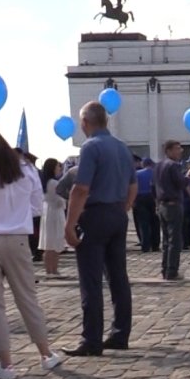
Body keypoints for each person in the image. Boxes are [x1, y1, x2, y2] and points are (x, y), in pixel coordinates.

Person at [0, 121, 60, 379]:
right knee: (27, 297)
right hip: (18, 237)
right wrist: (17, 217)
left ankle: (6, 364)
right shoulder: (24, 166)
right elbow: (37, 207)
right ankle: (46, 353)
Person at [61, 101, 137, 356]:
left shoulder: (91, 147)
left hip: (95, 214)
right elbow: (133, 186)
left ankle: (91, 338)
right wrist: (123, 207)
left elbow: (81, 188)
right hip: (117, 212)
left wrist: (70, 224)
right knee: (118, 277)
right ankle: (120, 333)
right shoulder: (122, 148)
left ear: (85, 122)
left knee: (91, 280)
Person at [155, 140, 186, 280]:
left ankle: (165, 269)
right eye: (177, 149)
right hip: (173, 205)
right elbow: (180, 183)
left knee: (166, 240)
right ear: (168, 151)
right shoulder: (173, 165)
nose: (180, 151)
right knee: (175, 240)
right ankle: (172, 271)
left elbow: (152, 186)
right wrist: (188, 177)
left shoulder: (158, 166)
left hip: (162, 205)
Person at [38, 158, 66, 276]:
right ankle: (53, 269)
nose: (59, 168)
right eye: (58, 166)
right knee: (55, 241)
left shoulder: (45, 182)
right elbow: (59, 200)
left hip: (48, 212)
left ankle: (49, 269)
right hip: (55, 213)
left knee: (48, 242)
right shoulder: (54, 183)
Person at [133, 157, 159, 252]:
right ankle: (155, 245)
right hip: (153, 198)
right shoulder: (156, 173)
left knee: (143, 223)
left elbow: (133, 187)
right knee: (155, 222)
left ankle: (145, 245)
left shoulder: (137, 174)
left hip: (140, 198)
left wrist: (133, 201)